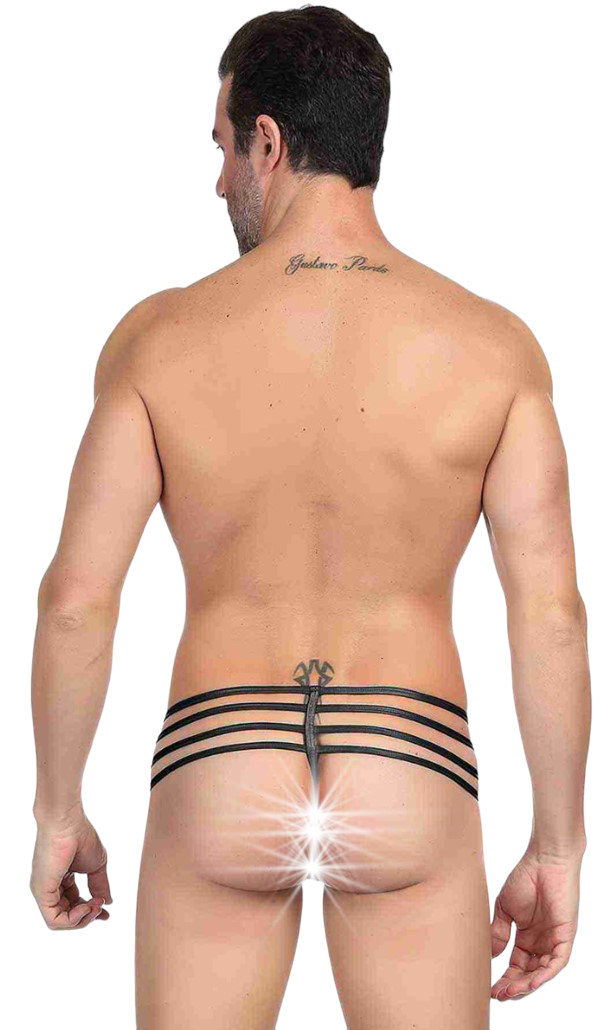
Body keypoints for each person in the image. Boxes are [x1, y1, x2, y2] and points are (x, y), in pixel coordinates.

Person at [29, 6, 590, 1028]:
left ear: (268, 141)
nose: (217, 183)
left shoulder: (159, 337)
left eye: (220, 149)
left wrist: (57, 812)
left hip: (220, 753)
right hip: (409, 755)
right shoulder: (493, 345)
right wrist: (559, 847)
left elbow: (76, 602)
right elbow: (548, 616)